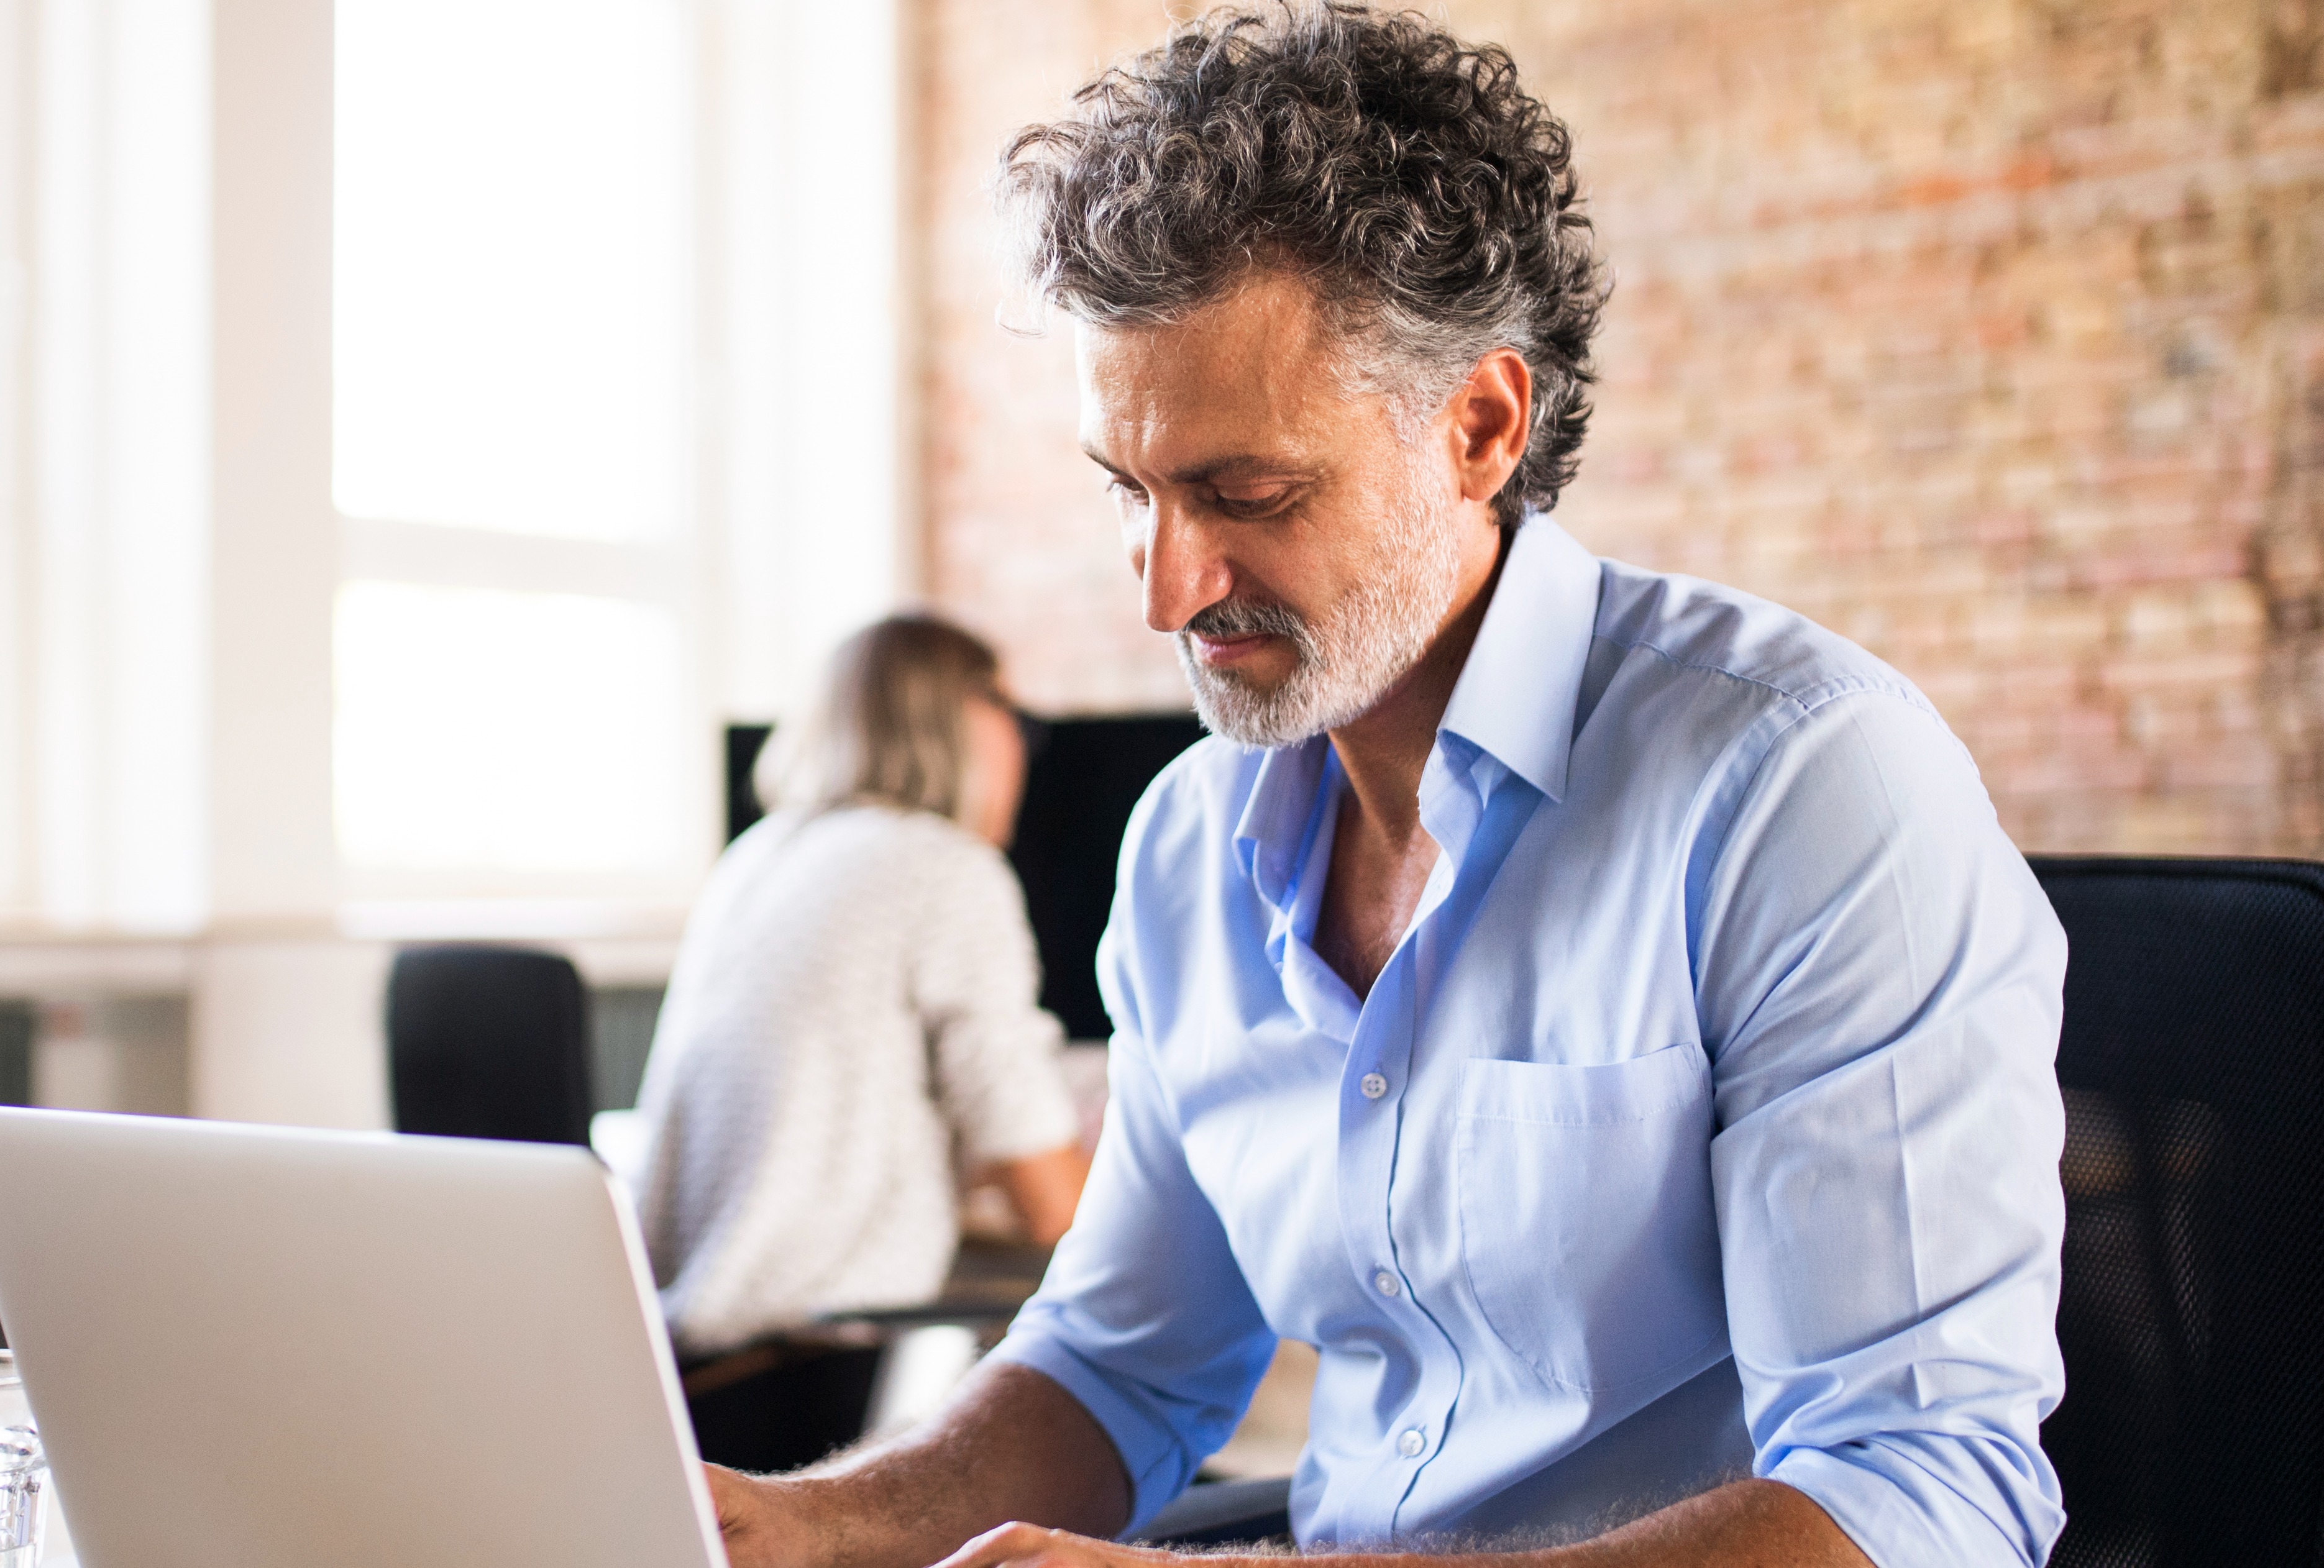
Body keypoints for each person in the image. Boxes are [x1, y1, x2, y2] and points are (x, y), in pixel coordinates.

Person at [705, 6, 2071, 1567]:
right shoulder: (1187, 847)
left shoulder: (1802, 785)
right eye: (1129, 492)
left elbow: (1922, 1496)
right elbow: (1117, 1366)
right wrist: (783, 1528)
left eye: (1245, 492)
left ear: (1481, 425)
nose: (1165, 590)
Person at [636, 613, 1096, 1475]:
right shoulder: (943, 869)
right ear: (960, 718)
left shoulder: (758, 857)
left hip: (690, 1373)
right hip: (822, 1378)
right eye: (1008, 711)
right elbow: (1054, 1208)